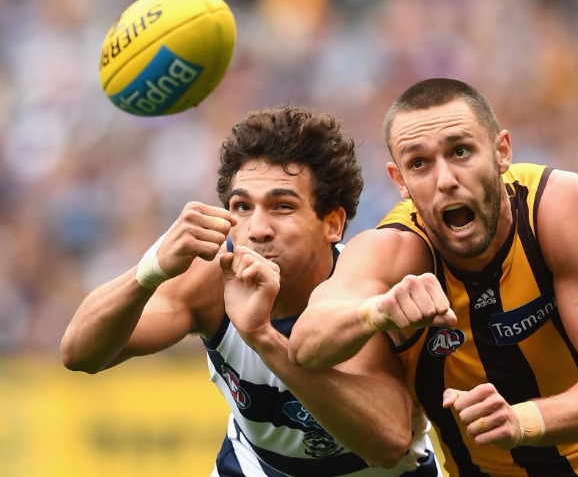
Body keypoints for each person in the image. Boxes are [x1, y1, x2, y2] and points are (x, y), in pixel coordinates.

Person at [289, 79, 578, 476]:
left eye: (461, 151)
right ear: (400, 182)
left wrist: (522, 421)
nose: (445, 179)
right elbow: (307, 343)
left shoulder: (556, 207)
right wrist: (377, 312)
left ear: (502, 152)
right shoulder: (394, 251)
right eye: (419, 164)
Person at [60, 105, 440, 476]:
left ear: (332, 223)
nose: (257, 229)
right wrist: (152, 269)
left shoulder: (359, 286)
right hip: (255, 466)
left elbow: (387, 444)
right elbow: (79, 353)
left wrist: (262, 337)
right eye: (242, 206)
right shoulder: (209, 279)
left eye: (281, 207)